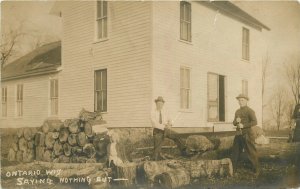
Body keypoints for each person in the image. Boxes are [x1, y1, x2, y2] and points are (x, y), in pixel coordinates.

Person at [231, 94, 260, 176]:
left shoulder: (250, 111)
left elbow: (255, 122)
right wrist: (236, 121)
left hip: (247, 134)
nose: (240, 102)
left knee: (251, 152)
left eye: (242, 100)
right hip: (238, 134)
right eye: (239, 100)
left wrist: (243, 125)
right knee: (235, 152)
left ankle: (256, 170)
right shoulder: (237, 111)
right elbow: (233, 123)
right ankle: (233, 170)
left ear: (246, 101)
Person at [150, 96, 187, 160]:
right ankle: (155, 159)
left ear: (163, 104)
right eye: (158, 104)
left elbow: (169, 119)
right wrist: (164, 126)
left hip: (166, 130)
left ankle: (184, 152)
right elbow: (155, 124)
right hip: (158, 131)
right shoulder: (152, 112)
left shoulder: (165, 112)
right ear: (156, 104)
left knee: (177, 136)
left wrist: (170, 123)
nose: (160, 105)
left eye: (161, 104)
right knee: (157, 149)